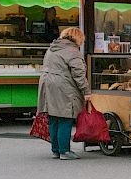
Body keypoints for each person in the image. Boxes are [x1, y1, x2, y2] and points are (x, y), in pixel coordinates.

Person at [37, 27, 91, 160]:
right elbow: (78, 74)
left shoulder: (52, 48)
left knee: (53, 117)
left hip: (47, 84)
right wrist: (86, 91)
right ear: (78, 38)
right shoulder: (72, 51)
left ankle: (55, 150)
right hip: (63, 85)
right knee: (65, 117)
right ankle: (65, 151)